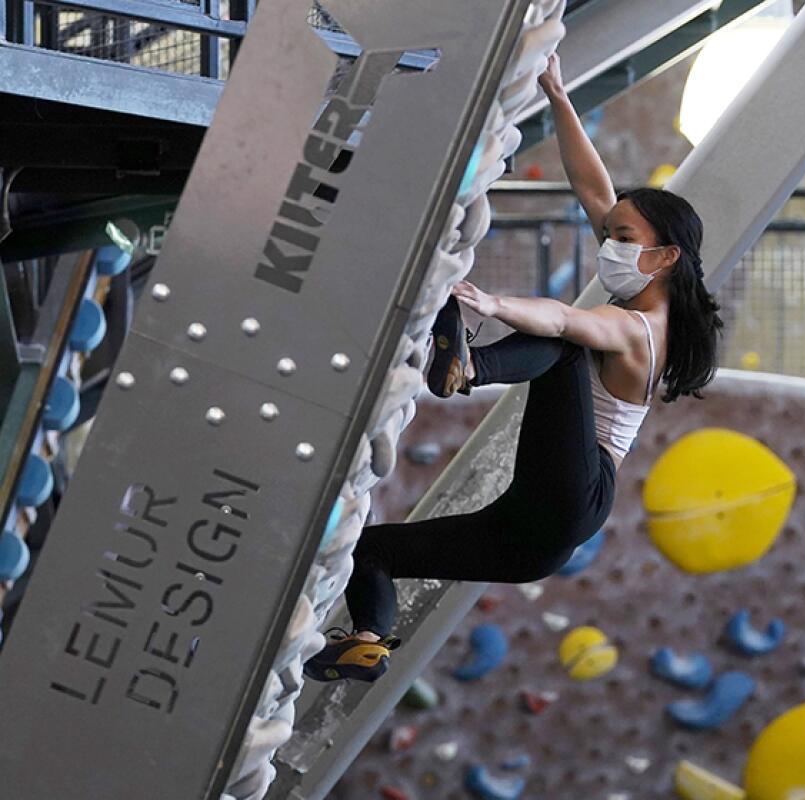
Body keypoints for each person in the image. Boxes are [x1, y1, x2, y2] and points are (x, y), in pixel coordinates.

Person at [304, 53, 724, 683]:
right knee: (375, 551)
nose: (609, 244)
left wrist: (491, 304)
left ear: (663, 256)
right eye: (610, 234)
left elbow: (562, 324)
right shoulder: (639, 286)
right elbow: (593, 189)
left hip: (577, 493)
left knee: (562, 352)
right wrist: (558, 92)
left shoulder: (638, 329)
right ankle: (367, 640)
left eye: (623, 237)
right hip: (540, 535)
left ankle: (468, 367)